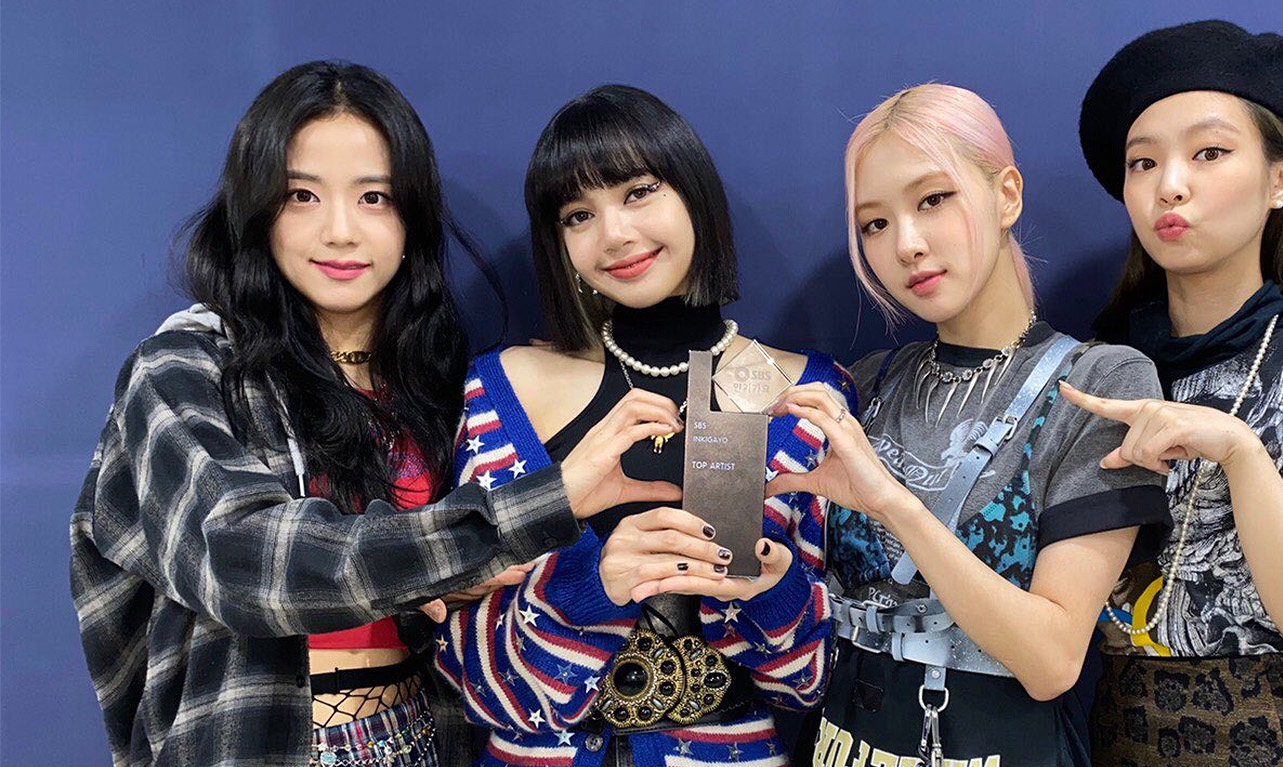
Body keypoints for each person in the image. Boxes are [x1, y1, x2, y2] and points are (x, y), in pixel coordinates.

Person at [69, 61, 641, 767]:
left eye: (373, 197)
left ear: (411, 217)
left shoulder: (434, 382)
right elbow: (244, 561)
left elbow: (448, 603)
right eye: (301, 196)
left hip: (427, 738)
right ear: (255, 210)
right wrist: (535, 507)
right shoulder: (184, 369)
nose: (340, 231)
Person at [432, 85, 849, 767]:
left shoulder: (807, 395)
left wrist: (773, 592)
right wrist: (589, 584)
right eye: (578, 215)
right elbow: (471, 676)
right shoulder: (501, 386)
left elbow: (809, 681)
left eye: (638, 192)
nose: (615, 234)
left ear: (694, 193)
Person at [768, 83, 1170, 767]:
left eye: (933, 199)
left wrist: (892, 504)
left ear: (1006, 195)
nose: (907, 244)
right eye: (875, 223)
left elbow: (1051, 660)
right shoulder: (867, 382)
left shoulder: (1098, 383)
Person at [1073, 20, 1283, 765]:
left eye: (1209, 153)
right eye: (1143, 162)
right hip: (1116, 737)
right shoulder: (1099, 368)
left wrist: (1240, 451)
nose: (1170, 184)